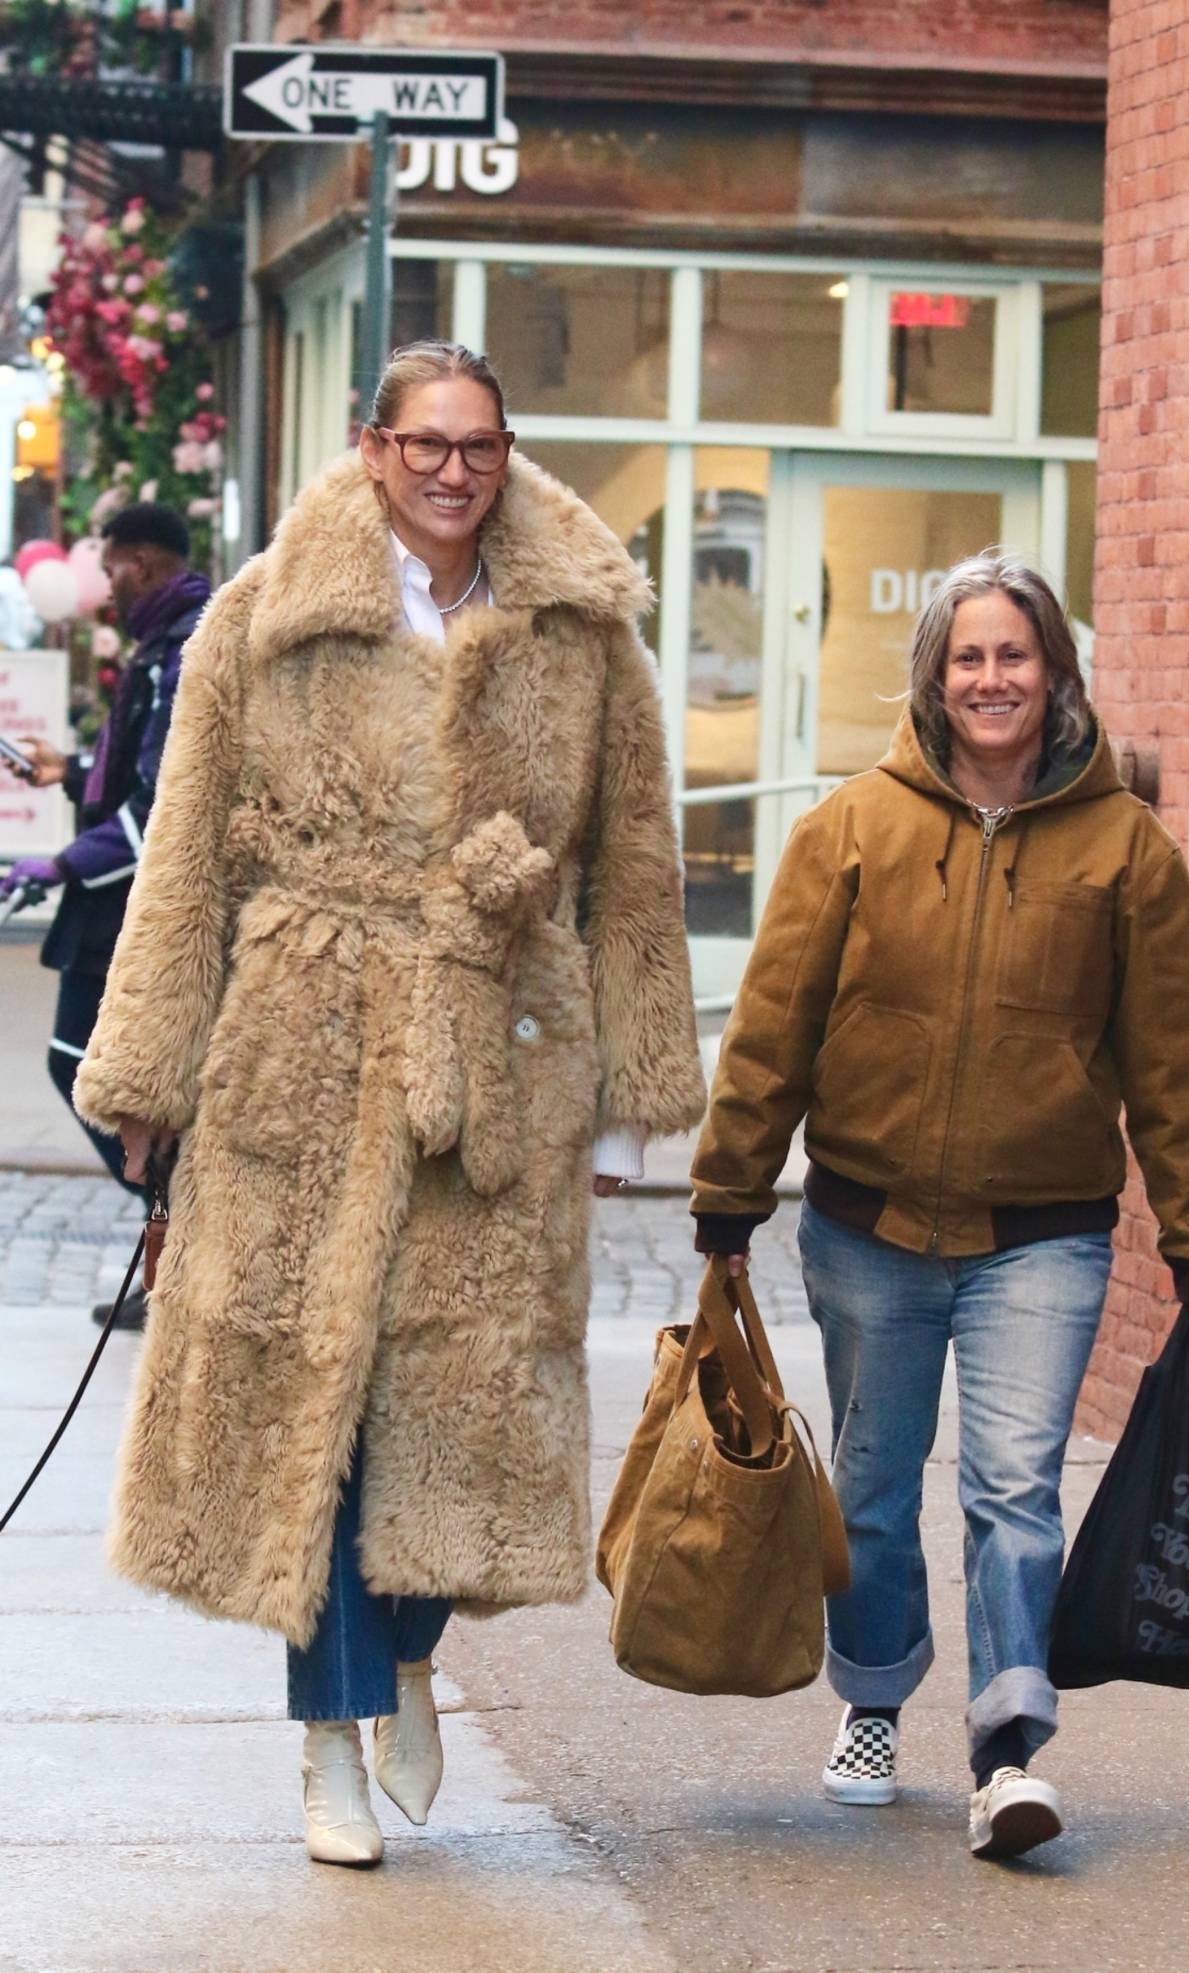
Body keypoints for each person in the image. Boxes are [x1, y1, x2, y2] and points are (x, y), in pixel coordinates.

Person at [72, 341, 705, 1868]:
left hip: (499, 1056)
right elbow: (188, 870)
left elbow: (633, 868)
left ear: (508, 457)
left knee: (470, 1398)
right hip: (302, 1049)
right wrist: (149, 1074)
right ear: (371, 450)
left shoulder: (581, 638)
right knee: (324, 1407)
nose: (452, 470)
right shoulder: (261, 619)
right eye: (425, 443)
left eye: (479, 445)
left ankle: (412, 1642)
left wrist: (628, 1102)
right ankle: (330, 1740)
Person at [689, 550, 1189, 1860]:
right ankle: (875, 1694)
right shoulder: (852, 832)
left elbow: (1178, 1063)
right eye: (970, 657)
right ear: (936, 678)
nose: (993, 678)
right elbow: (775, 1027)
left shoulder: (1122, 852)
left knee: (1014, 1488)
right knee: (875, 1491)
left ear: (1057, 674)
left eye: (1016, 654)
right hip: (868, 1226)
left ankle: (1006, 1747)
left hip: (1042, 1234)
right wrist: (731, 1188)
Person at [1, 504, 210, 1331]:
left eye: (116, 566)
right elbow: (138, 770)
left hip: (135, 900)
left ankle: (189, 1242)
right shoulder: (162, 643)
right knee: (91, 1070)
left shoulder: (182, 649)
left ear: (148, 563)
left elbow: (162, 802)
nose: (106, 585)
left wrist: (59, 862)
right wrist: (70, 769)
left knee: (88, 1069)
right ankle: (173, 1249)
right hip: (116, 896)